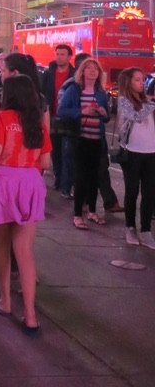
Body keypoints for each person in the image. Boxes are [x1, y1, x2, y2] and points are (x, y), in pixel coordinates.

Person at [0, 76, 51, 336]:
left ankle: (5, 301)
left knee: (1, 245)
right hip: (31, 184)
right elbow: (46, 162)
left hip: (5, 182)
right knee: (25, 250)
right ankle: (31, 316)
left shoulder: (3, 119)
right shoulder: (37, 124)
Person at [57, 58, 110, 230]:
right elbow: (62, 110)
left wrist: (103, 113)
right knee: (81, 177)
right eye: (89, 68)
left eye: (95, 69)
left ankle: (93, 211)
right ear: (82, 71)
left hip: (97, 140)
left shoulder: (101, 92)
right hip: (79, 140)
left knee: (95, 177)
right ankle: (78, 214)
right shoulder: (74, 89)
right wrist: (82, 112)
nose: (92, 71)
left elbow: (107, 117)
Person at [116, 67, 155, 248]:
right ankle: (130, 227)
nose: (142, 83)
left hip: (151, 152)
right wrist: (151, 104)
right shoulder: (124, 100)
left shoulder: (147, 101)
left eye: (142, 79)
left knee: (149, 192)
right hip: (131, 152)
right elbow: (136, 116)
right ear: (129, 82)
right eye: (137, 79)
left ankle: (146, 230)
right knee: (132, 191)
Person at [42, 44, 75, 198]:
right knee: (55, 151)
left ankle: (65, 184)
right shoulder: (49, 74)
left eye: (63, 54)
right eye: (57, 54)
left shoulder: (75, 75)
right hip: (52, 116)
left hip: (68, 119)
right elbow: (43, 93)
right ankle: (58, 178)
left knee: (67, 152)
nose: (59, 57)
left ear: (69, 57)